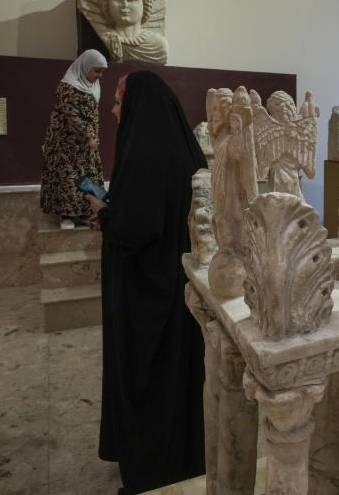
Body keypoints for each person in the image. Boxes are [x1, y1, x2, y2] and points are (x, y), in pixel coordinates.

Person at [86, 71, 207, 494]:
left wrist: (102, 212)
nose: (116, 112)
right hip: (182, 287)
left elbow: (136, 229)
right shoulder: (186, 150)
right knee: (180, 381)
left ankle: (151, 472)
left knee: (147, 381)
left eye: (119, 103)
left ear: (136, 105)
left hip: (144, 296)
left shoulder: (142, 155)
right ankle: (183, 461)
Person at [40, 50, 107, 229]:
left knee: (88, 178)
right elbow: (72, 116)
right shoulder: (68, 86)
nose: (99, 76)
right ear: (85, 67)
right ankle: (67, 216)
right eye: (97, 71)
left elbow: (93, 115)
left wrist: (94, 136)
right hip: (66, 143)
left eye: (102, 72)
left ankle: (86, 213)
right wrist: (88, 135)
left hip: (86, 145)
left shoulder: (93, 86)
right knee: (68, 177)